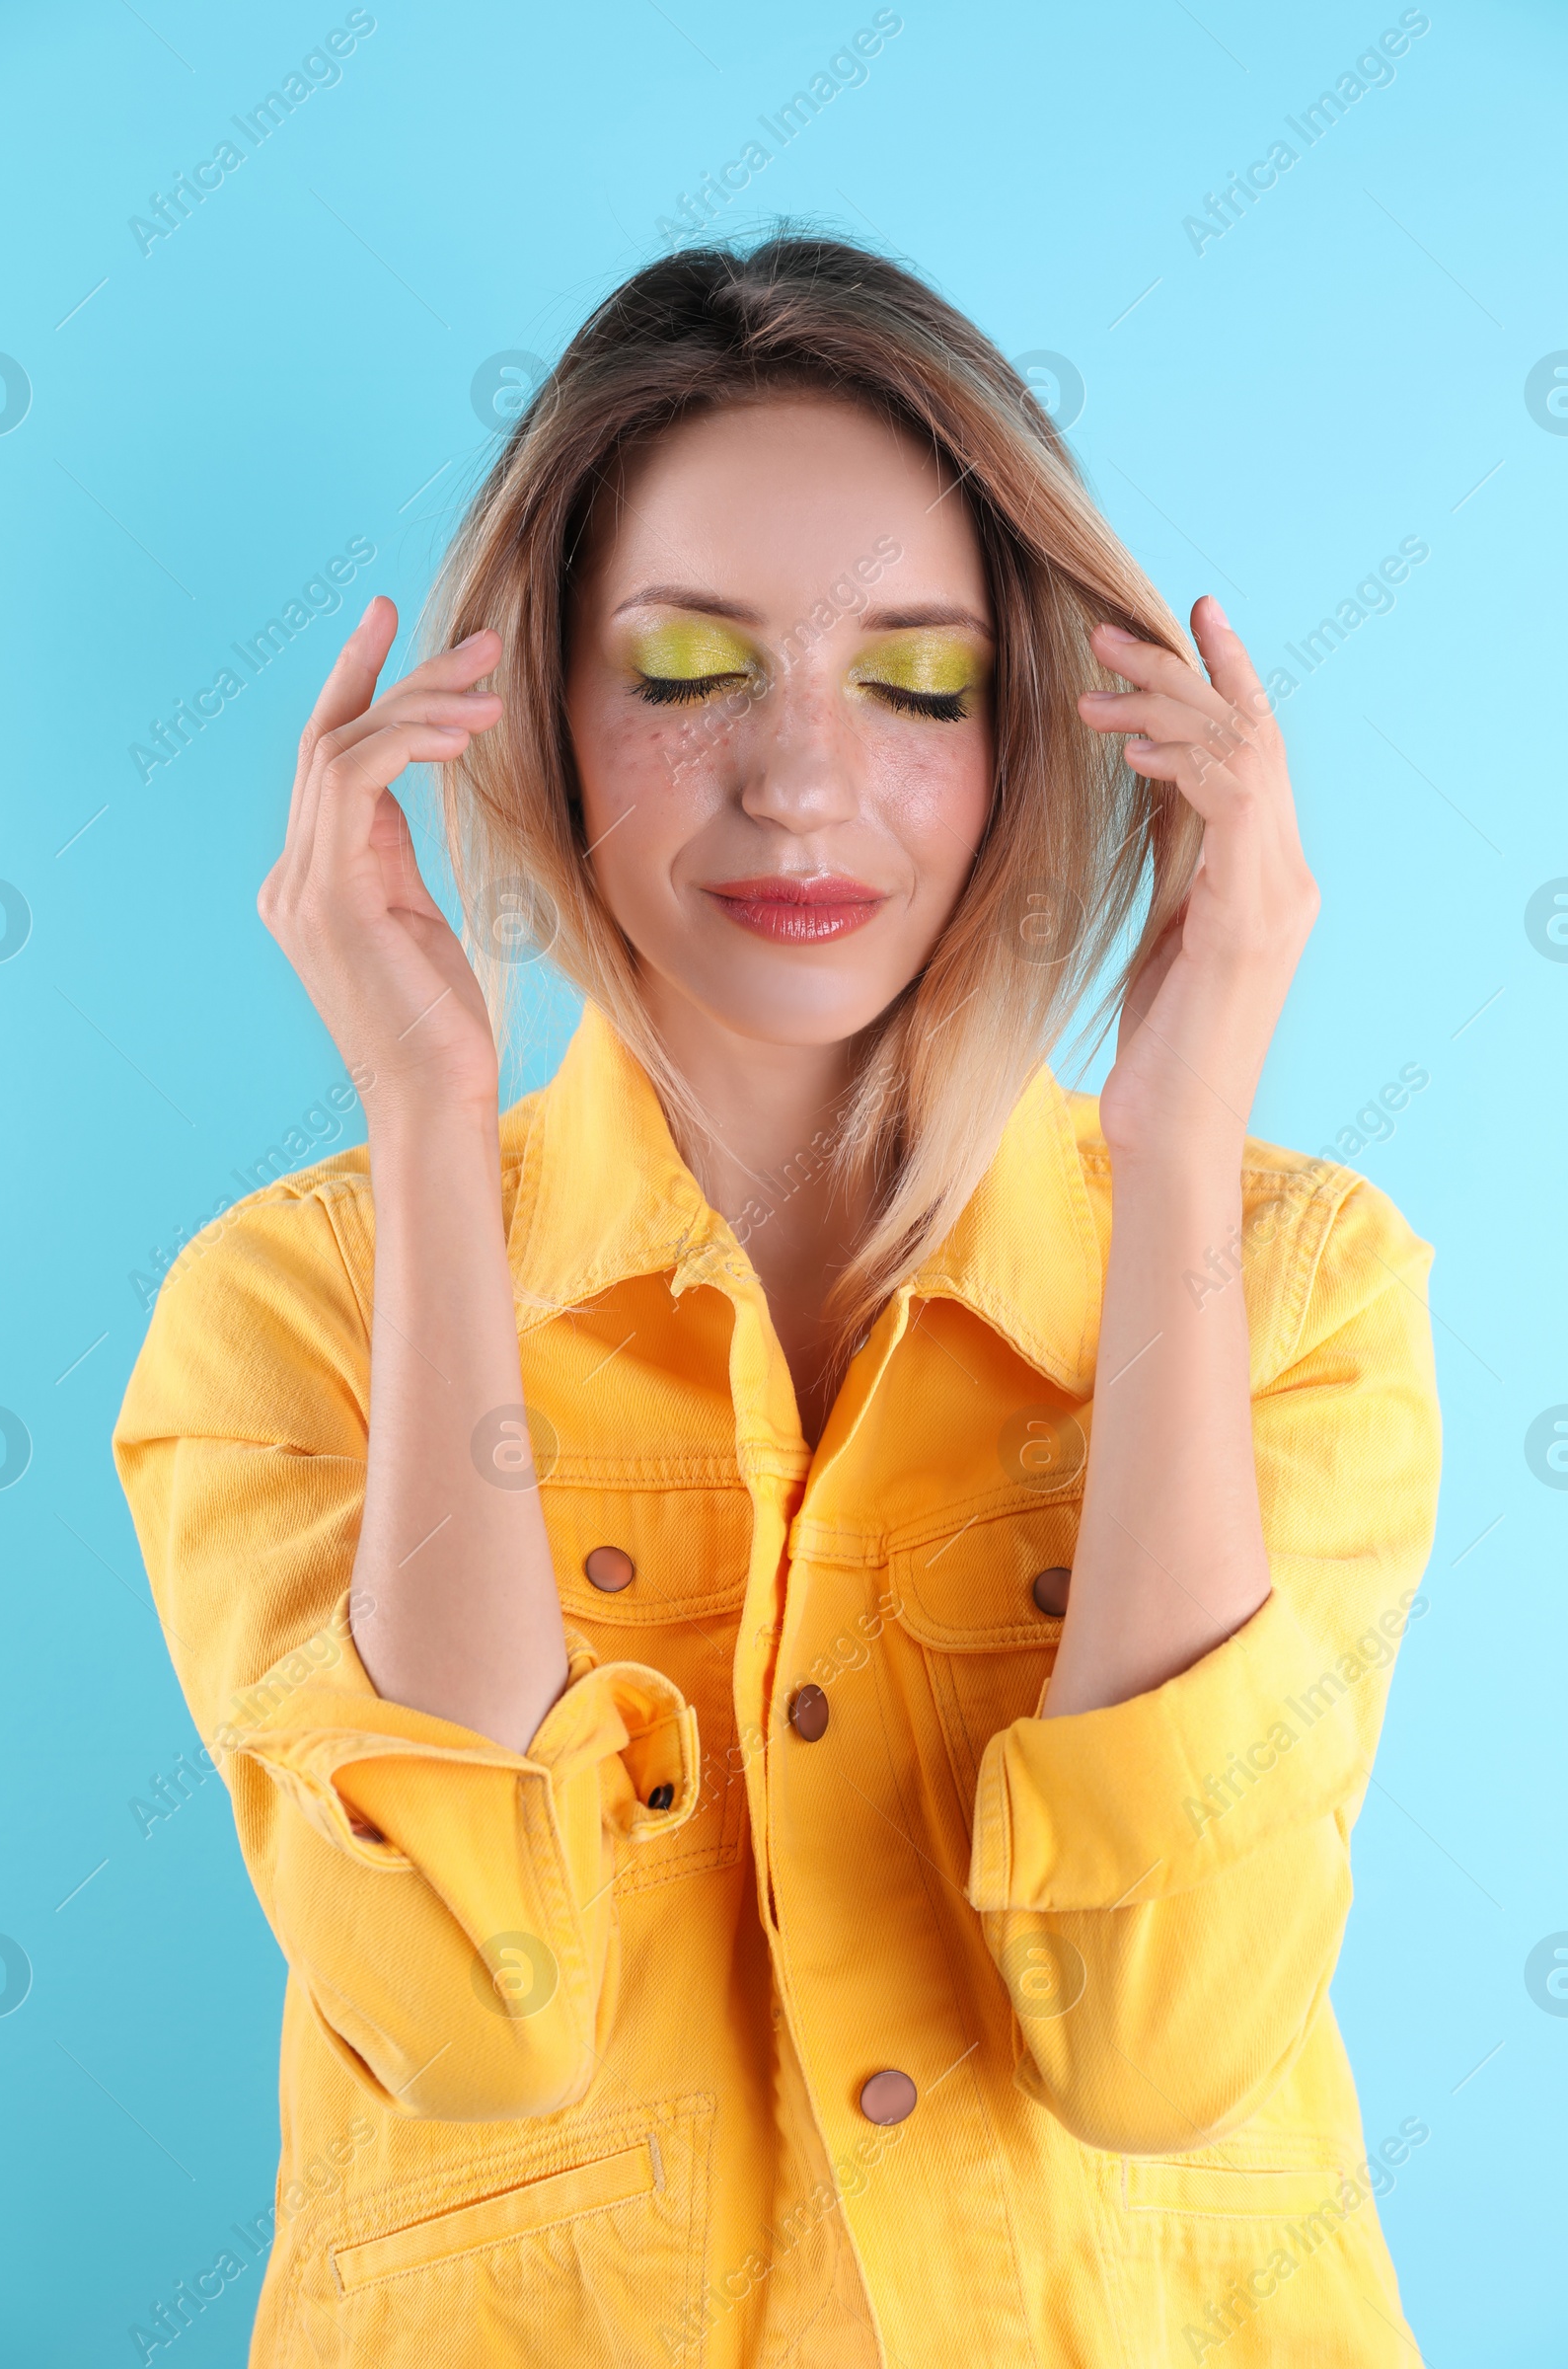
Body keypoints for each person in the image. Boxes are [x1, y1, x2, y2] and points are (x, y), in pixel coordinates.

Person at [113, 235, 1441, 2366]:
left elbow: (1158, 2050)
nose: (802, 784)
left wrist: (1180, 1138)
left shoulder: (1294, 1290)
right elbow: (473, 2021)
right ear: (532, 709)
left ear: (1035, 733)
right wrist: (428, 1121)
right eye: (685, 669)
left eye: (916, 684)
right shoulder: (287, 1314)